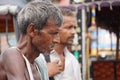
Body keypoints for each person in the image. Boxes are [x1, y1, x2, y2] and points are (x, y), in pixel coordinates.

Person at [0, 0, 63, 80]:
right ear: (32, 30)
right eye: (53, 33)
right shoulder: (12, 55)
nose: (57, 40)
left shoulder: (38, 63)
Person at [39, 7, 82, 80]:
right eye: (69, 27)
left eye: (74, 28)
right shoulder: (39, 58)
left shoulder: (73, 60)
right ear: (55, 29)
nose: (73, 32)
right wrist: (44, 74)